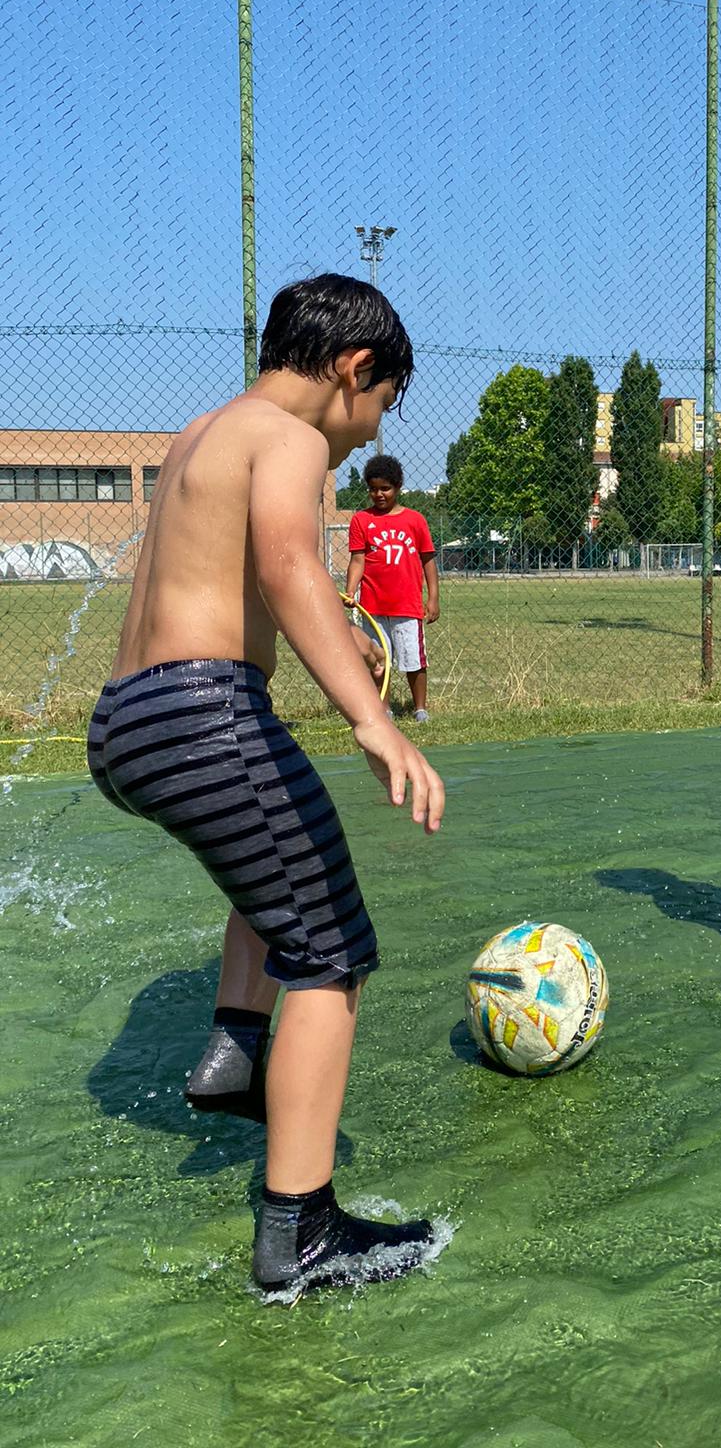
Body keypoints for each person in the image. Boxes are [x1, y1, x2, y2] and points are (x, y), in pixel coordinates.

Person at [86, 273, 447, 1294]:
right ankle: (302, 1233)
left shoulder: (205, 431)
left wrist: (332, 637)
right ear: (353, 370)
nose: (371, 432)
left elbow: (228, 568)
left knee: (276, 864)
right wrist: (375, 721)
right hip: (202, 713)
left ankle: (236, 1050)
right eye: (382, 403)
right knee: (333, 949)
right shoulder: (291, 439)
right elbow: (289, 567)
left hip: (127, 721)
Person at [346, 456, 440, 723]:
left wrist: (433, 598)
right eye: (373, 489)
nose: (379, 494)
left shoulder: (415, 520)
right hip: (373, 607)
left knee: (414, 660)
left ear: (398, 486)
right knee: (378, 660)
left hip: (407, 606)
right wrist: (351, 591)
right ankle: (383, 709)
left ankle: (419, 709)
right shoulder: (361, 520)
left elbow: (428, 560)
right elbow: (357, 560)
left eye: (385, 488)